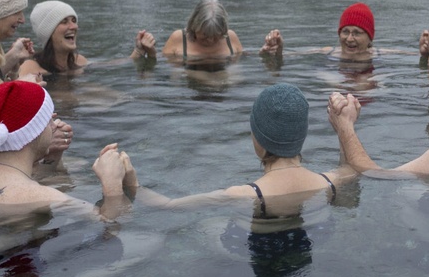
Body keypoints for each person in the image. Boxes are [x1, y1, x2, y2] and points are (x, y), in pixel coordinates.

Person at [133, 83, 360, 213]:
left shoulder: (241, 195)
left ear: (258, 140)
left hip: (259, 257)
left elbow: (166, 205)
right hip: (309, 246)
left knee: (212, 228)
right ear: (302, 135)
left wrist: (132, 184)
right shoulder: (332, 182)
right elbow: (352, 169)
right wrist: (344, 127)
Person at [0, 80, 130, 219]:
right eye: (48, 121)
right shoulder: (45, 197)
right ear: (34, 131)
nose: (54, 126)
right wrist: (112, 183)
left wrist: (53, 156)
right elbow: (109, 225)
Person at [16, 0, 157, 78]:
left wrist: (139, 50)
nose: (73, 26)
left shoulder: (78, 60)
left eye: (73, 20)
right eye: (64, 22)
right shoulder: (30, 67)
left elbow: (113, 65)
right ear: (48, 32)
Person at [260, 2, 382, 63]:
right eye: (345, 32)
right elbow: (287, 57)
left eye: (357, 33)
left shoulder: (378, 55)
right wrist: (277, 50)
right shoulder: (328, 52)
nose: (349, 39)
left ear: (369, 37)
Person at [162, 0, 243, 63]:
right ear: (194, 26)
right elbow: (174, 75)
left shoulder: (230, 37)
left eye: (215, 35)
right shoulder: (178, 38)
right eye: (205, 34)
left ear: (223, 30)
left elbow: (236, 67)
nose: (210, 40)